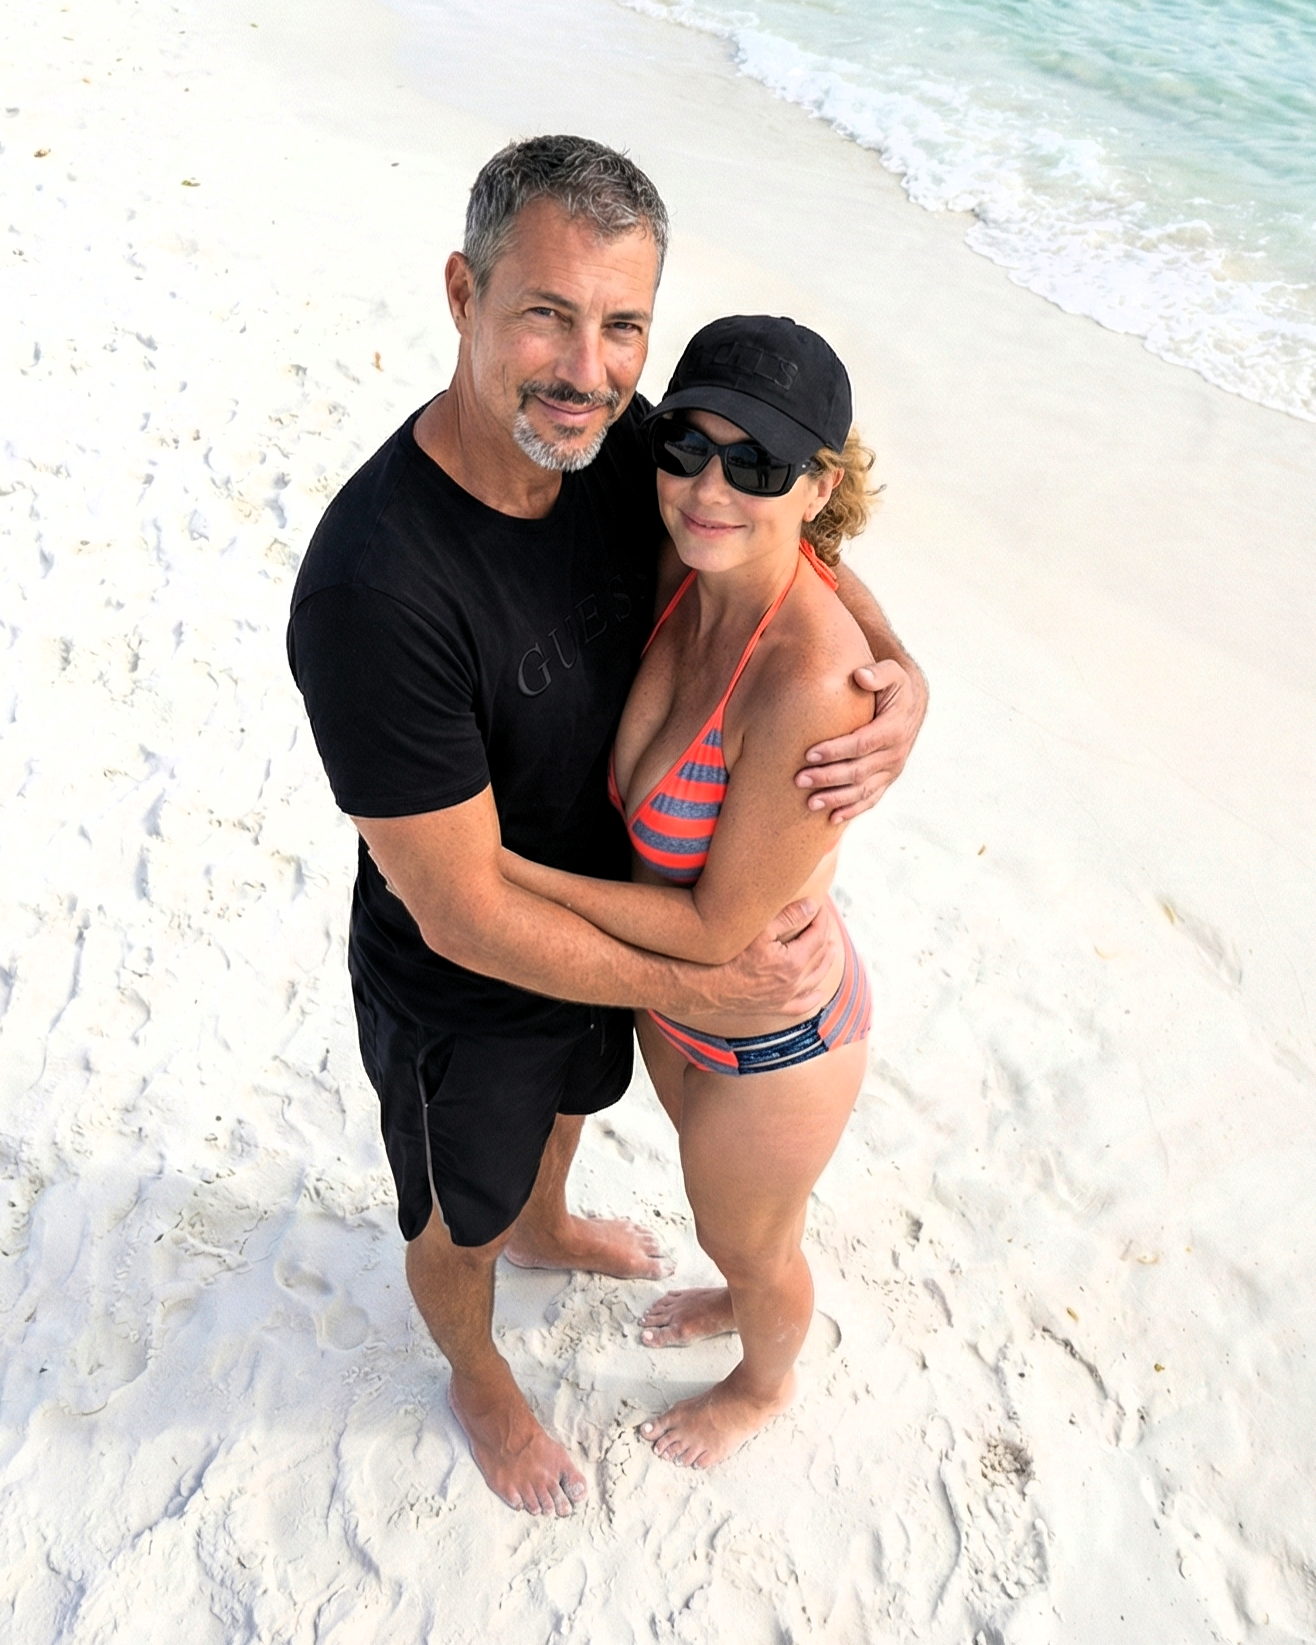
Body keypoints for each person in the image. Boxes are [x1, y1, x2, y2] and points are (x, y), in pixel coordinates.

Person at [286, 136, 927, 1517]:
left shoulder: (623, 446)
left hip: (618, 932)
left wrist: (904, 676)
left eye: (622, 323)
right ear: (463, 294)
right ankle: (477, 1373)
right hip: (469, 977)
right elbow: (460, 905)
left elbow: (786, 535)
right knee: (457, 1220)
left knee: (570, 1117)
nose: (586, 364)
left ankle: (557, 1221)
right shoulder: (376, 587)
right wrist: (699, 977)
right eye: (546, 313)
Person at [499, 314, 881, 1467]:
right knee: (732, 1216)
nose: (710, 487)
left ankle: (762, 1381)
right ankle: (733, 1282)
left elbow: (719, 924)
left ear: (815, 487)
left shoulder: (809, 677)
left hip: (771, 1041)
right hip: (674, 1007)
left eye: (755, 464)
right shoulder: (687, 563)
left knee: (754, 1246)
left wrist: (503, 874)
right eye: (687, 448)